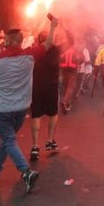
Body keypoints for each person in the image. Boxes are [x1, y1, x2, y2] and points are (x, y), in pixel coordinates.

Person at [0, 16, 58, 193]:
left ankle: (26, 172)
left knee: (8, 140)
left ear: (8, 40)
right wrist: (53, 26)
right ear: (21, 41)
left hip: (2, 109)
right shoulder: (30, 55)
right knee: (7, 140)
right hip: (22, 109)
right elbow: (48, 44)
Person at [29, 30, 69, 161]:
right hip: (51, 86)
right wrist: (64, 27)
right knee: (53, 114)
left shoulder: (34, 50)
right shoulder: (55, 50)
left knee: (36, 115)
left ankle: (35, 147)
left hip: (36, 86)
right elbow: (71, 41)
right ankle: (50, 141)